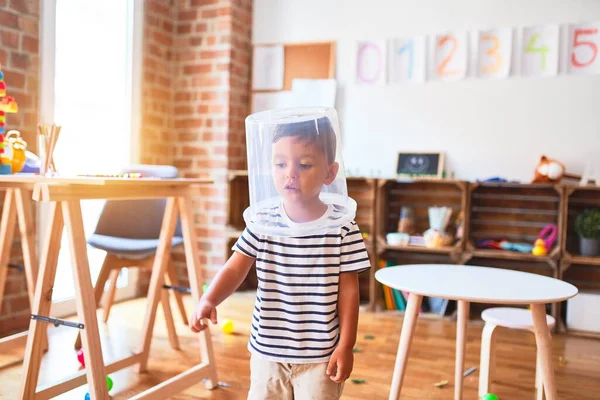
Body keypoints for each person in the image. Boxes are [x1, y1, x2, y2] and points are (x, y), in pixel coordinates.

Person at [190, 114, 370, 400]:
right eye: (280, 163)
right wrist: (209, 299)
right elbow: (236, 268)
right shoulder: (264, 224)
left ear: (330, 173)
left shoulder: (342, 227)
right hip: (267, 352)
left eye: (305, 164)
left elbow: (349, 290)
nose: (291, 173)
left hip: (320, 356)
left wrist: (346, 345)